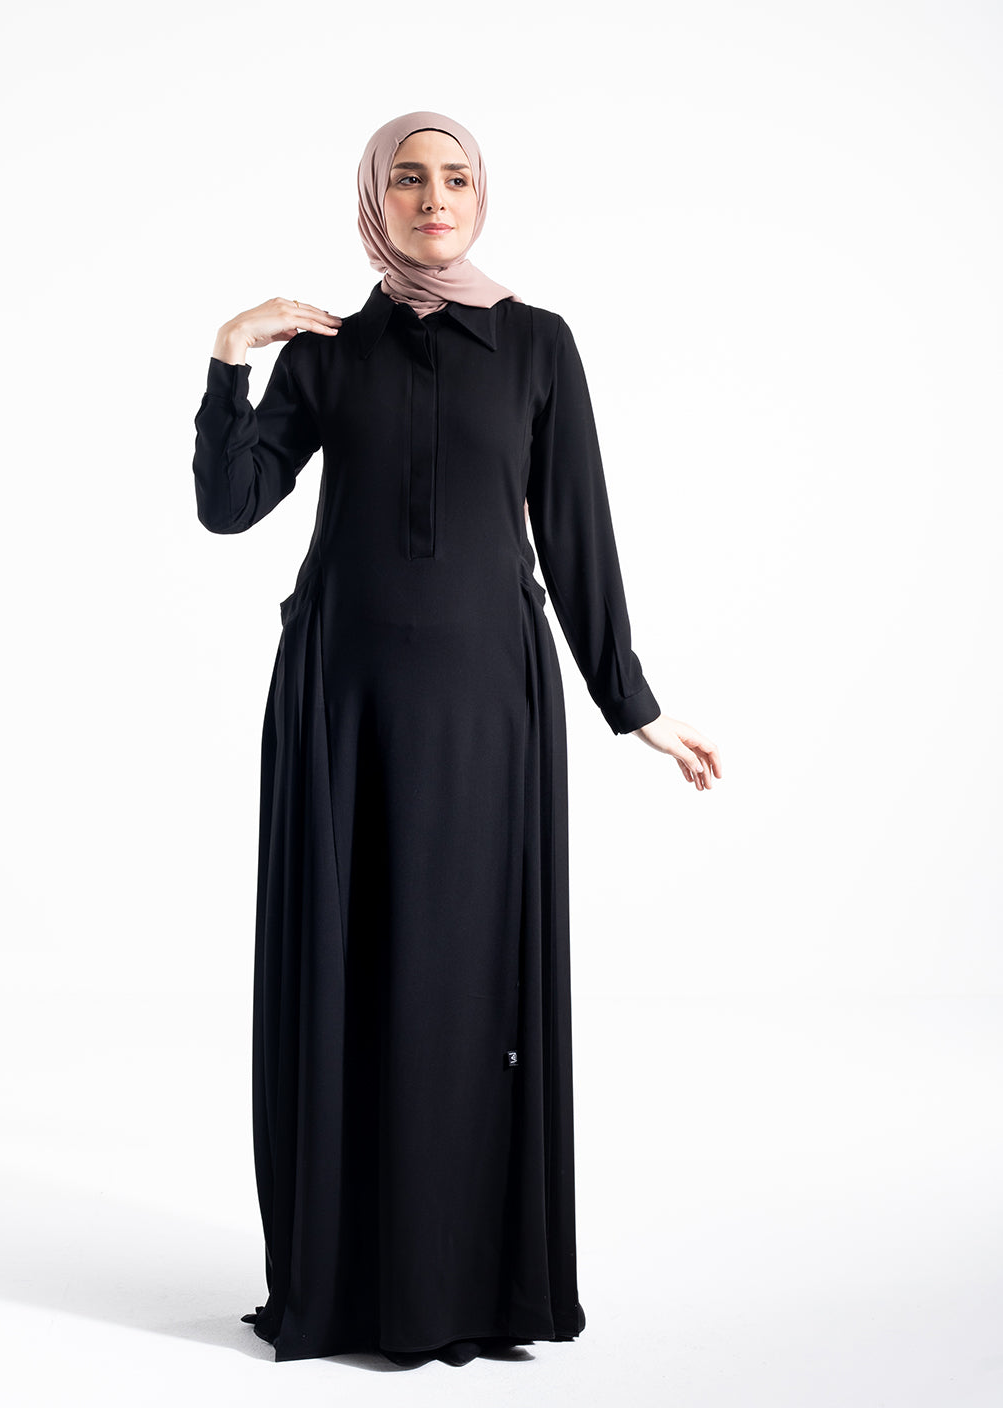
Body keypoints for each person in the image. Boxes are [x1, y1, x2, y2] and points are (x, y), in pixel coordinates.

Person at [191, 110, 721, 1369]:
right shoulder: (329, 352)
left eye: (457, 176)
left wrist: (633, 702)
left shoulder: (536, 344)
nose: (434, 197)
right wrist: (227, 362)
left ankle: (480, 1280)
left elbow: (577, 536)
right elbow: (228, 505)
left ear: (483, 196)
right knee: (348, 977)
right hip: (343, 704)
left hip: (489, 708)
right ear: (373, 199)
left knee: (471, 984)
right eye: (408, 178)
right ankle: (348, 1279)